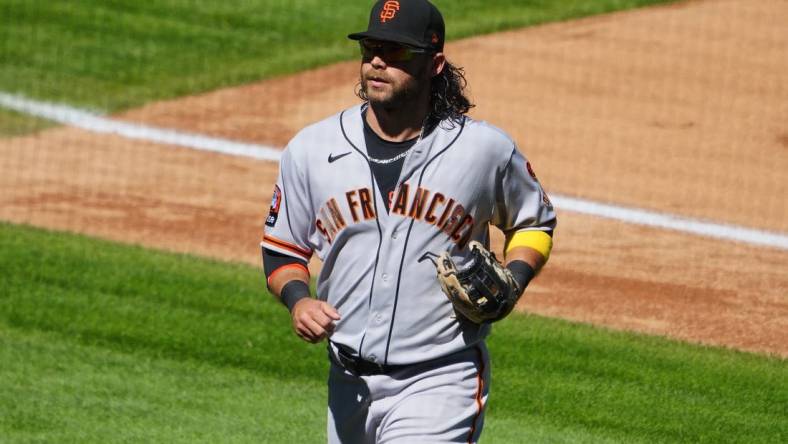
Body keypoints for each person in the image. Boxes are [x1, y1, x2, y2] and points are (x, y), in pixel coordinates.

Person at [261, 0, 556, 442]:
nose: (378, 61)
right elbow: (282, 248)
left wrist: (514, 279)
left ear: (434, 63)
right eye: (371, 48)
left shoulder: (482, 151)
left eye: (397, 52)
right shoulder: (311, 149)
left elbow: (534, 220)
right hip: (348, 384)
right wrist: (298, 299)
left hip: (440, 379)